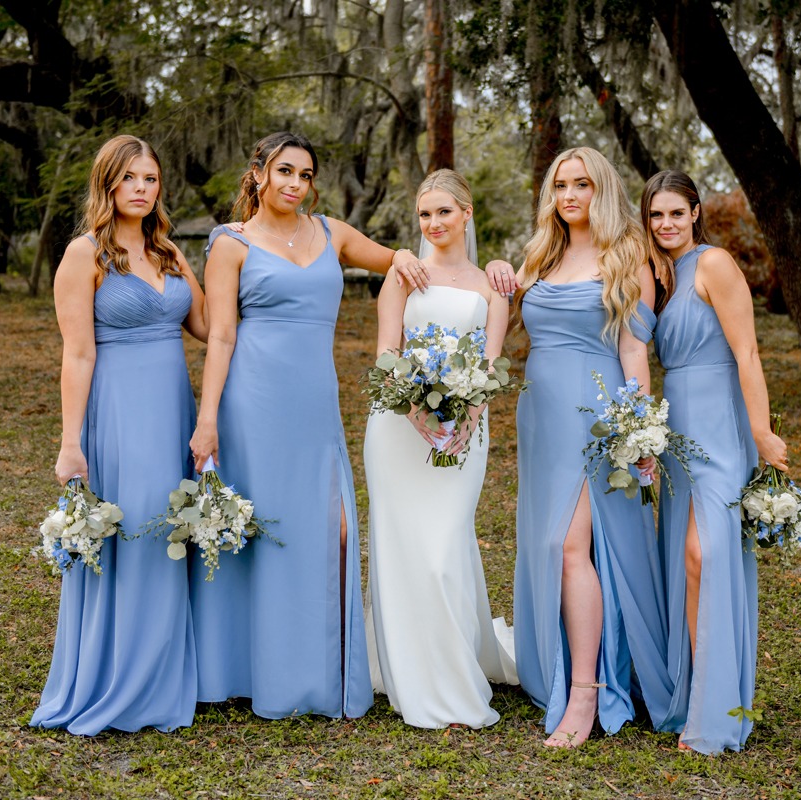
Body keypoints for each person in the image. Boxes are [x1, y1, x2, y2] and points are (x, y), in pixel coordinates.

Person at [186, 133, 516, 718]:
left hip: (316, 404)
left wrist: (493, 264)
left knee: (329, 533)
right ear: (259, 174)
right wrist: (207, 418)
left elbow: (402, 258)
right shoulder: (230, 244)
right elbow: (223, 335)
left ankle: (318, 668)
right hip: (253, 398)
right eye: (284, 171)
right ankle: (242, 668)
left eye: (305, 174)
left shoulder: (330, 233)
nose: (295, 183)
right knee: (258, 530)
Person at [32, 134, 206, 735]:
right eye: (129, 178)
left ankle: (165, 671)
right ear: (107, 185)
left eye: (150, 179)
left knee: (170, 529)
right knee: (133, 533)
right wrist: (70, 441)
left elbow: (207, 326)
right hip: (121, 411)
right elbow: (77, 356)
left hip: (173, 412)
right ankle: (121, 679)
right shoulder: (84, 255)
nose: (141, 189)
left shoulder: (168, 253)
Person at [511, 147, 672, 747]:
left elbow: (634, 354)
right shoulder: (541, 254)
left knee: (567, 544)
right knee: (555, 546)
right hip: (541, 420)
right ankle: (568, 668)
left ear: (602, 189)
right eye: (560, 185)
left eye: (581, 184)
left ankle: (585, 694)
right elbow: (506, 312)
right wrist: (503, 277)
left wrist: (638, 431)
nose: (570, 195)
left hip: (596, 420)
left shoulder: (629, 257)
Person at [362, 169, 518, 728]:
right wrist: (415, 411)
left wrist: (467, 415)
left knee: (444, 547)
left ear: (466, 214)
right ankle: (414, 674)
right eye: (425, 214)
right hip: (398, 430)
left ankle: (451, 673)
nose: (433, 224)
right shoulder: (405, 273)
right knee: (405, 550)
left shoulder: (491, 284)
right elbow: (386, 353)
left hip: (465, 429)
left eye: (443, 213)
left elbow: (493, 364)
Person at [642, 169, 788, 754]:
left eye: (677, 213)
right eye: (656, 215)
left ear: (696, 212)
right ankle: (691, 695)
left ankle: (717, 704)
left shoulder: (714, 264)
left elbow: (748, 351)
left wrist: (762, 430)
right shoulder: (657, 274)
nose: (667, 224)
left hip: (722, 426)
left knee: (708, 555)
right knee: (684, 560)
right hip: (677, 426)